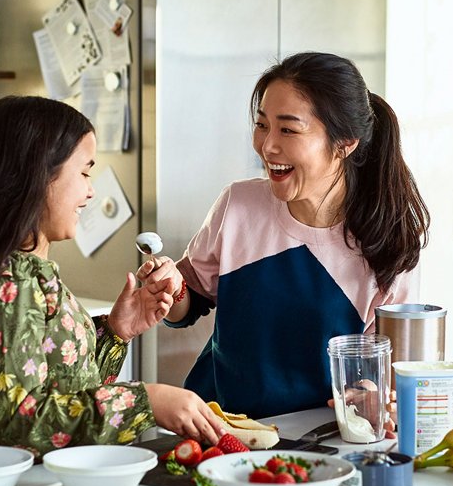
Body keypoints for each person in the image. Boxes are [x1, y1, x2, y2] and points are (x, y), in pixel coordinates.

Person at [0, 95, 225, 456]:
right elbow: (23, 424)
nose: (90, 190)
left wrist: (116, 331)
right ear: (37, 175)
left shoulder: (31, 274)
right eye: (83, 172)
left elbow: (64, 392)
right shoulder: (10, 284)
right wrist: (146, 400)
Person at [146, 52, 430, 420]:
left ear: (345, 142)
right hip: (219, 427)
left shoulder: (388, 244)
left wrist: (374, 395)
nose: (267, 146)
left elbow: (380, 374)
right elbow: (191, 300)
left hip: (317, 438)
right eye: (262, 125)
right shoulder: (238, 204)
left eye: (288, 129)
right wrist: (170, 288)